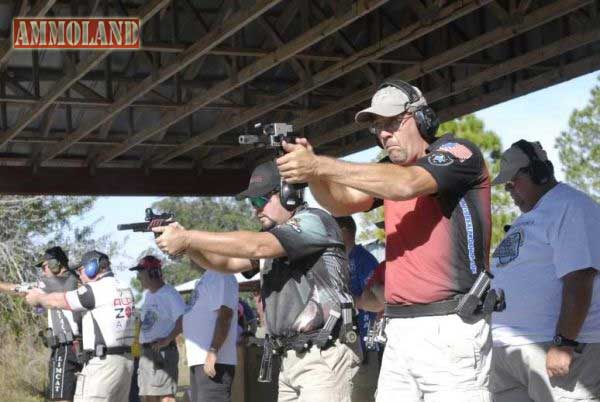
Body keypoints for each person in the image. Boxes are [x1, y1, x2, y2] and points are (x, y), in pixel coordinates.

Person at [276, 79, 493, 402]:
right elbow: (340, 203)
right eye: (377, 127)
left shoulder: (458, 153)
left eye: (392, 122)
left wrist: (319, 164)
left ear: (422, 118)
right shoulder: (390, 170)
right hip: (400, 327)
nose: (383, 134)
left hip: (450, 324)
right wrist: (314, 175)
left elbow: (407, 184)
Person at [153, 160, 361, 402]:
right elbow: (224, 264)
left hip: (324, 353)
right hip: (292, 357)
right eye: (253, 203)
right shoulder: (272, 238)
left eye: (261, 200)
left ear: (288, 194)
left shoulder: (314, 222)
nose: (256, 209)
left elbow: (257, 245)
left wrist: (188, 238)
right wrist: (186, 245)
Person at [489, 140, 600, 402]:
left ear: (538, 173)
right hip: (509, 350)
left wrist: (564, 342)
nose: (509, 190)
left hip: (554, 348)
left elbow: (579, 278)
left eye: (513, 182)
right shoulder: (529, 216)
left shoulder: (571, 207)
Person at [25, 250, 136, 402]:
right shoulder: (124, 287)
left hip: (102, 364)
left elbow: (60, 300)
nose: (80, 276)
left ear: (93, 267)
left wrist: (39, 298)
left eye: (81, 270)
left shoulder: (95, 290)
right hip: (126, 362)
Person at [0, 246, 81, 402]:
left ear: (55, 264)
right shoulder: (75, 279)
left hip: (65, 348)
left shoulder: (55, 283)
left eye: (44, 267)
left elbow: (18, 289)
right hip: (80, 347)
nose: (43, 272)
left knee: (61, 398)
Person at [334, 215, 380, 402]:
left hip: (364, 349)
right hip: (340, 349)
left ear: (344, 231)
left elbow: (378, 302)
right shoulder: (335, 261)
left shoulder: (364, 260)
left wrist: (350, 301)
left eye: (332, 229)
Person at [131, 255, 185, 402]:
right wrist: (137, 343)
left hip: (162, 353)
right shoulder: (148, 295)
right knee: (147, 397)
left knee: (165, 397)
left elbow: (183, 319)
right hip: (146, 353)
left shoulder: (169, 294)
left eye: (140, 273)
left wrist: (167, 340)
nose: (138, 278)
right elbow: (142, 322)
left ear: (153, 273)